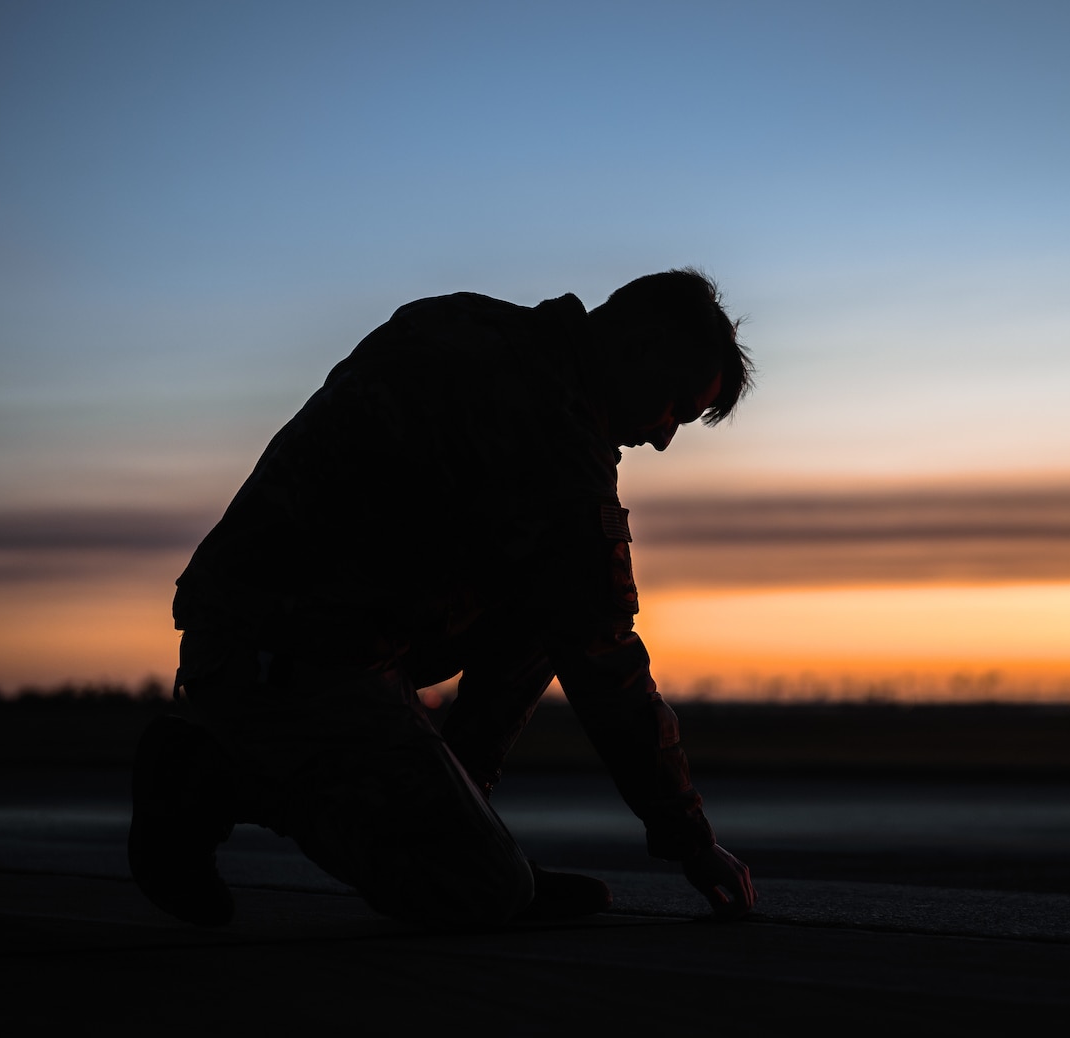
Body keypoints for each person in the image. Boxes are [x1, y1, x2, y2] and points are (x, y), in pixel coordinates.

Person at [128, 268, 757, 928]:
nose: (662, 437)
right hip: (289, 661)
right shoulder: (554, 430)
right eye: (675, 409)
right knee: (480, 888)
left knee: (548, 599)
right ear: (645, 350)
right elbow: (604, 651)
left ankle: (460, 809)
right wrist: (690, 838)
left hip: (273, 632)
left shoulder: (470, 324)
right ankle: (210, 777)